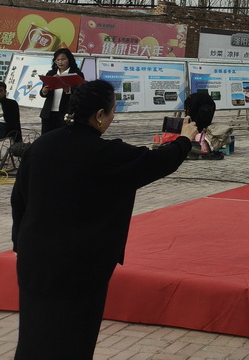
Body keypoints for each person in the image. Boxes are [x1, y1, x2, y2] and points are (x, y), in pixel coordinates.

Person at [10, 79, 198, 359]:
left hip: (34, 261)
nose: (112, 118)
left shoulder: (42, 146)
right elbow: (157, 161)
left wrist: (20, 243)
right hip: (79, 268)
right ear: (99, 115)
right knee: (72, 340)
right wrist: (184, 139)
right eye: (111, 112)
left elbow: (19, 200)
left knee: (34, 337)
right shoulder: (106, 154)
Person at [38, 47, 85, 134]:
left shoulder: (76, 74)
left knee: (63, 137)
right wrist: (44, 91)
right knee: (46, 138)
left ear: (69, 60)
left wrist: (68, 90)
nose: (60, 62)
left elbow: (81, 93)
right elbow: (42, 93)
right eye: (58, 60)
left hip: (66, 114)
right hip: (49, 113)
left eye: (63, 59)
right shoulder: (51, 73)